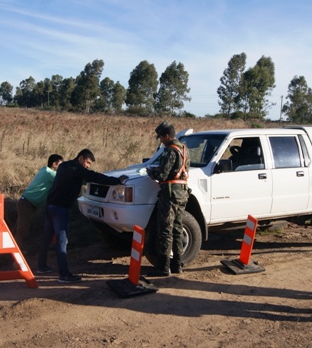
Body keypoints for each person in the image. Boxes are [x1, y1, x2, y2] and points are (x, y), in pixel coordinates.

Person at [41, 149, 128, 283]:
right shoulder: (77, 168)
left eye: (89, 164)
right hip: (60, 209)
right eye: (87, 162)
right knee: (62, 241)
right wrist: (117, 180)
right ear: (81, 158)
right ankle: (64, 274)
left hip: (50, 205)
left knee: (46, 237)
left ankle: (41, 266)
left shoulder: (64, 166)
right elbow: (94, 177)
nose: (87, 165)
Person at [146, 121, 190, 276]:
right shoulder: (184, 149)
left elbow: (162, 175)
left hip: (169, 195)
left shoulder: (170, 151)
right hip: (182, 193)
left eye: (161, 138)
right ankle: (177, 264)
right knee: (178, 228)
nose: (161, 141)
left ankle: (163, 267)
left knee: (165, 230)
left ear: (166, 136)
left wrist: (150, 172)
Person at [13, 154, 63, 255]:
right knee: (21, 231)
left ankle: (11, 251)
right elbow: (64, 180)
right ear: (54, 164)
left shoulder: (44, 170)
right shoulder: (50, 174)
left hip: (26, 203)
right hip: (26, 204)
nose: (61, 168)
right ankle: (16, 255)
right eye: (60, 165)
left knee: (17, 230)